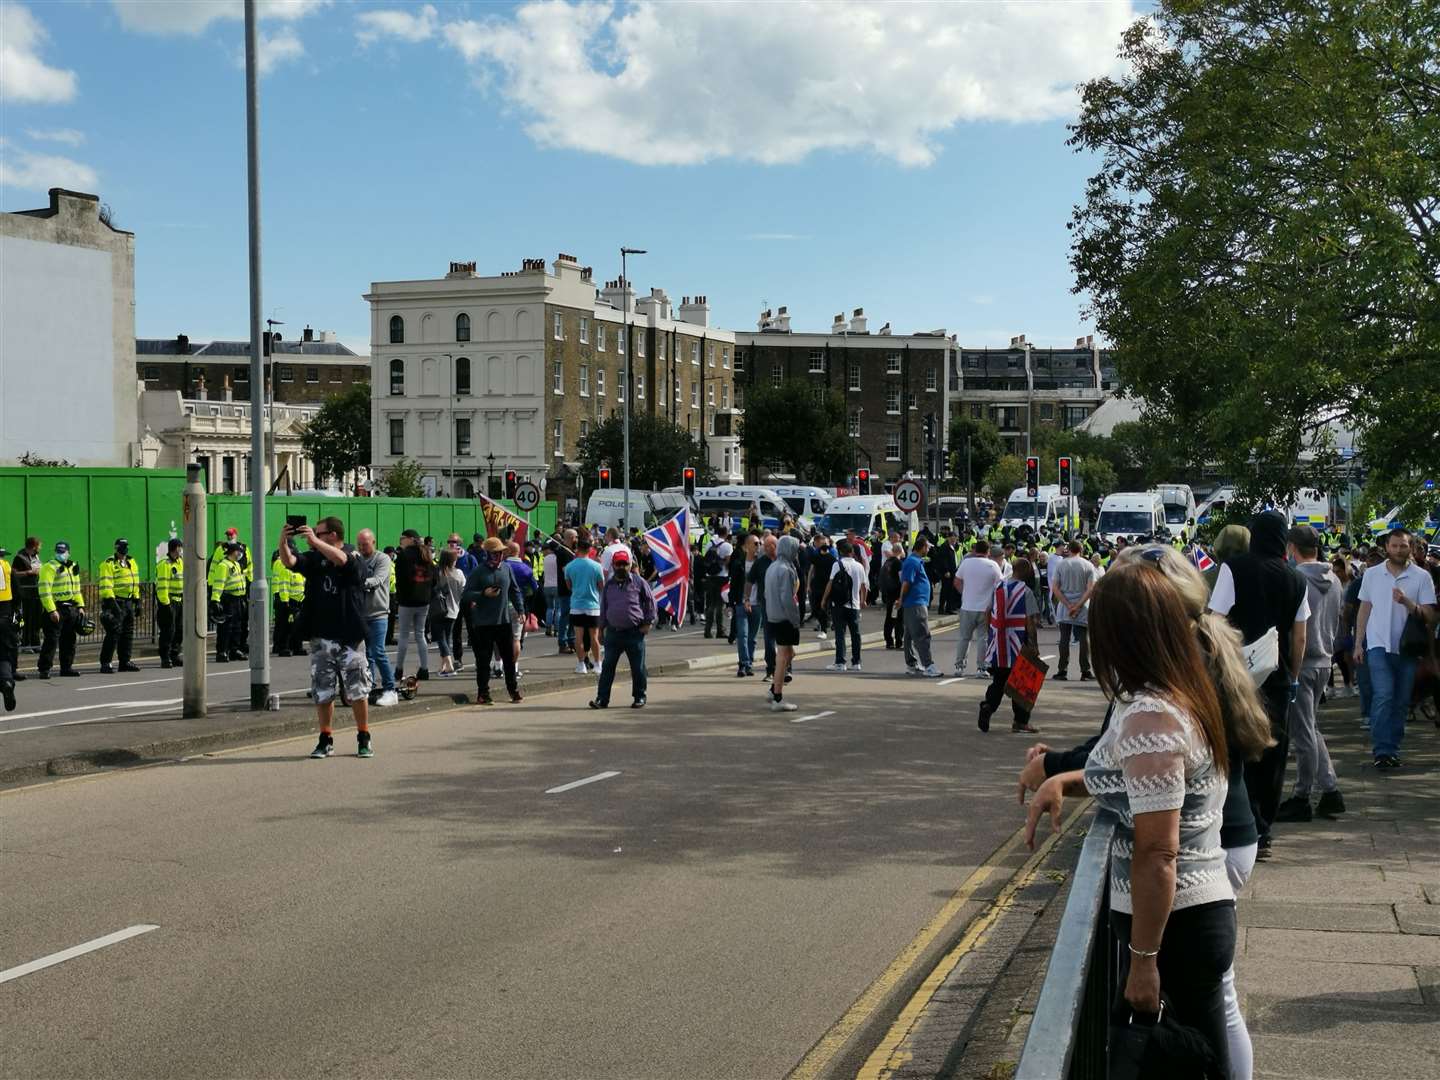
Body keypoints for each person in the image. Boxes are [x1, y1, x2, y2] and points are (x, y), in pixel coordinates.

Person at [1021, 544, 1274, 1080]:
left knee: (1199, 1062)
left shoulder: (1153, 716)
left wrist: (1142, 961)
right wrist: (1067, 778)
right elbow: (1127, 775)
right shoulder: (1168, 696)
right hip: (1187, 922)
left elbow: (1158, 852)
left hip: (1178, 928)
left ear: (1124, 633)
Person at [1208, 511, 1309, 855]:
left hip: (1236, 676)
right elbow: (1299, 638)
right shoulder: (1296, 579)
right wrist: (1292, 676)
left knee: (1236, 748)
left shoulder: (1233, 568)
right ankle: (1264, 828)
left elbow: (1215, 620)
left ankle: (1241, 822)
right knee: (1273, 751)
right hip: (1277, 677)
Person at [279, 517, 373, 759]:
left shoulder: (353, 554)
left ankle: (363, 736)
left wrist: (313, 541)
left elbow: (342, 561)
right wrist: (284, 539)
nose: (313, 538)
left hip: (349, 636)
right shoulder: (314, 558)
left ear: (332, 535)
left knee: (357, 690)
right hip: (322, 636)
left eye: (319, 534)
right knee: (323, 691)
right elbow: (289, 561)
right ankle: (325, 738)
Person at [1276, 525, 1346, 821]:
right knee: (1310, 727)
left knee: (1302, 733)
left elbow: (1298, 633)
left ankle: (1302, 795)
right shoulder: (1336, 580)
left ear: (1291, 547)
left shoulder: (1295, 580)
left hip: (1301, 663)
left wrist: (1291, 672)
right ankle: (1330, 790)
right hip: (1323, 660)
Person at [1353, 527, 1437, 768]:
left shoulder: (1421, 577)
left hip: (1408, 648)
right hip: (1378, 644)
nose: (1398, 550)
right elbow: (1364, 609)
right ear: (1386, 547)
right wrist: (1359, 643)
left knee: (1401, 700)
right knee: (1384, 694)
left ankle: (1392, 748)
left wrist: (1408, 603)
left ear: (1410, 547)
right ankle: (1382, 750)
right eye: (1394, 545)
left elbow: (1430, 616)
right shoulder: (1372, 574)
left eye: (1403, 546)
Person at [977, 557, 1040, 734]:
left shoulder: (998, 587)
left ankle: (988, 706)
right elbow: (1029, 621)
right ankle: (1020, 722)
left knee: (999, 681)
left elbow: (988, 611)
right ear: (1026, 571)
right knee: (1023, 684)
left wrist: (992, 635)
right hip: (1018, 644)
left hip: (999, 643)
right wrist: (1033, 645)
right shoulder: (1025, 591)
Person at [590, 548, 656, 709]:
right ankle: (602, 699)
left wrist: (648, 623)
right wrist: (600, 629)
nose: (621, 567)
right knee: (607, 667)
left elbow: (650, 603)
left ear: (630, 565)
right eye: (618, 564)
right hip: (613, 633)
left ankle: (640, 696)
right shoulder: (609, 585)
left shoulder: (639, 582)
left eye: (624, 564)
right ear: (613, 565)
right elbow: (604, 607)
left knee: (638, 668)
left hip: (634, 632)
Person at [462, 538, 524, 705]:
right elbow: (466, 594)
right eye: (495, 553)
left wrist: (520, 610)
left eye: (501, 553)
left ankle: (513, 690)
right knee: (483, 660)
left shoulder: (506, 568)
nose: (499, 556)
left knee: (509, 658)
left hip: (503, 621)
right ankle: (483, 693)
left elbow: (515, 591)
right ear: (488, 554)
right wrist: (483, 594)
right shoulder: (478, 571)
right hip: (483, 623)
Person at [355, 529, 398, 707]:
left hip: (379, 613)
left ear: (373, 542)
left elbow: (379, 579)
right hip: (361, 614)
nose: (362, 547)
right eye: (359, 544)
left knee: (377, 651)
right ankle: (369, 686)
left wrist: (358, 583)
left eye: (365, 544)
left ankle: (390, 689)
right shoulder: (357, 559)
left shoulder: (382, 559)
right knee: (366, 655)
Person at [953, 539, 1003, 678]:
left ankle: (959, 667)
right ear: (988, 552)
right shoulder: (993, 565)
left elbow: (956, 582)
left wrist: (965, 593)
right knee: (983, 639)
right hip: (985, 608)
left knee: (964, 638)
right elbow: (1000, 586)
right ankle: (981, 668)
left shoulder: (966, 563)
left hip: (967, 606)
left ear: (975, 550)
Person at [764, 534, 802, 712]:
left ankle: (774, 689)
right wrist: (795, 619)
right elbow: (788, 598)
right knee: (783, 656)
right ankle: (777, 697)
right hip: (784, 617)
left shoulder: (772, 566)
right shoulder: (786, 569)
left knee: (789, 653)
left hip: (772, 615)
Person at [1050, 540, 1097, 681]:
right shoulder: (1088, 565)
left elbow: (1055, 588)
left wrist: (1068, 605)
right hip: (1082, 605)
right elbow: (1090, 589)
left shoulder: (1061, 564)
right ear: (1081, 550)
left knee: (1064, 638)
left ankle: (1062, 670)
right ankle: (1085, 670)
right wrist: (1077, 605)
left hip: (1065, 605)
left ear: (1068, 550)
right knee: (1084, 638)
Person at [37, 541, 84, 679]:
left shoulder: (72, 566)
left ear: (68, 552)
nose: (60, 554)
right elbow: (44, 590)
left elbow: (76, 589)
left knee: (69, 640)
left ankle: (66, 668)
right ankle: (44, 669)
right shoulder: (49, 567)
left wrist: (80, 606)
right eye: (58, 551)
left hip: (70, 608)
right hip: (56, 608)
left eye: (63, 552)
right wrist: (51, 610)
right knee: (51, 640)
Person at [393, 529, 435, 681]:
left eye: (402, 538)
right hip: (424, 600)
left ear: (410, 539)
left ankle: (399, 669)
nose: (401, 541)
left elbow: (400, 578)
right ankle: (424, 668)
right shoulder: (426, 554)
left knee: (404, 635)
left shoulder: (403, 556)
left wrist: (399, 596)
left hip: (407, 600)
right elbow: (434, 577)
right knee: (420, 634)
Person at [97, 537, 142, 674]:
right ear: (116, 548)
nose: (125, 549)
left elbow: (135, 581)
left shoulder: (131, 561)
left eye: (126, 546)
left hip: (128, 602)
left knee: (127, 633)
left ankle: (125, 661)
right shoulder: (108, 563)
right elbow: (106, 586)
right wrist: (113, 605)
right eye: (122, 546)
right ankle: (106, 663)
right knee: (113, 633)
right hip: (115, 602)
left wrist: (137, 600)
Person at [821, 538, 866, 672]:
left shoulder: (837, 564)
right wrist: (863, 600)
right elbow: (864, 586)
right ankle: (856, 662)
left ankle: (840, 662)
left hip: (839, 605)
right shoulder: (859, 566)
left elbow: (830, 583)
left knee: (840, 634)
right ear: (852, 552)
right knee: (855, 634)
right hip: (855, 604)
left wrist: (824, 599)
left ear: (840, 552)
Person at [901, 535, 942, 677]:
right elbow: (906, 583)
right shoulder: (912, 562)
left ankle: (911, 664)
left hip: (915, 602)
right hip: (916, 603)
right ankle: (928, 665)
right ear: (922, 547)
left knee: (909, 635)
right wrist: (901, 599)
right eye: (927, 547)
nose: (928, 550)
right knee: (922, 634)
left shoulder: (915, 561)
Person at [565, 534, 604, 675]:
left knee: (578, 636)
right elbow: (601, 586)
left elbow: (569, 586)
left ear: (577, 549)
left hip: (576, 605)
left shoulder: (569, 567)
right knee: (594, 637)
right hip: (593, 605)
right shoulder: (597, 566)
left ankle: (581, 665)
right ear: (589, 549)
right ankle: (598, 664)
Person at [210, 543, 248, 663]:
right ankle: (222, 651)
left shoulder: (236, 564)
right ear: (233, 552)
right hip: (228, 599)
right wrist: (215, 599)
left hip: (238, 598)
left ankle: (234, 650)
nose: (240, 554)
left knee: (237, 627)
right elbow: (219, 583)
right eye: (238, 551)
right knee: (226, 627)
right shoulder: (223, 565)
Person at [749, 535, 779, 681]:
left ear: (775, 546)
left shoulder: (784, 561)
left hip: (782, 604)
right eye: (764, 546)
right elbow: (750, 581)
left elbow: (797, 580)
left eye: (768, 546)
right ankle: (770, 670)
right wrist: (747, 599)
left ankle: (786, 669)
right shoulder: (760, 563)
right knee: (769, 639)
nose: (765, 549)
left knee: (785, 639)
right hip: (766, 605)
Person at [732, 532, 761, 677]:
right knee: (742, 635)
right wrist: (730, 603)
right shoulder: (739, 563)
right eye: (755, 543)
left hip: (757, 604)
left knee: (752, 637)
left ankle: (749, 663)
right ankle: (743, 664)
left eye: (759, 543)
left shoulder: (761, 563)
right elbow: (734, 585)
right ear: (747, 546)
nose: (758, 546)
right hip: (741, 603)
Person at [154, 539, 184, 668]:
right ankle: (165, 657)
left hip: (179, 600)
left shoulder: (180, 562)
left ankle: (174, 655)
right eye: (179, 547)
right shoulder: (164, 565)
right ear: (175, 548)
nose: (181, 550)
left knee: (179, 630)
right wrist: (166, 604)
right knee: (168, 631)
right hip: (169, 601)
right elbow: (162, 586)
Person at [12, 537, 43, 651]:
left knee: (37, 618)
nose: (40, 548)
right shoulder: (19, 557)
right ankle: (26, 644)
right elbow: (14, 573)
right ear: (33, 546)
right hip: (25, 592)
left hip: (36, 591)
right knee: (27, 619)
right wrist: (28, 572)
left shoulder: (36, 556)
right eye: (39, 546)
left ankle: (36, 643)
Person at [806, 534, 835, 640]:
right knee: (816, 608)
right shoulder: (815, 557)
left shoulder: (832, 559)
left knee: (824, 607)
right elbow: (811, 570)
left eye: (825, 543)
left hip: (827, 586)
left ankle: (824, 629)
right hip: (816, 586)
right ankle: (826, 623)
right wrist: (808, 585)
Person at [880, 541, 906, 651]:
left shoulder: (887, 562)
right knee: (899, 619)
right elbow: (902, 579)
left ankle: (889, 641)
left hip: (888, 594)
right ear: (900, 551)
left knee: (889, 618)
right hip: (896, 594)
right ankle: (899, 642)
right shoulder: (898, 563)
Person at [0, 550, 17, 710]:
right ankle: (6, 681)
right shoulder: (6, 566)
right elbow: (17, 592)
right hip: (5, 615)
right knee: (3, 654)